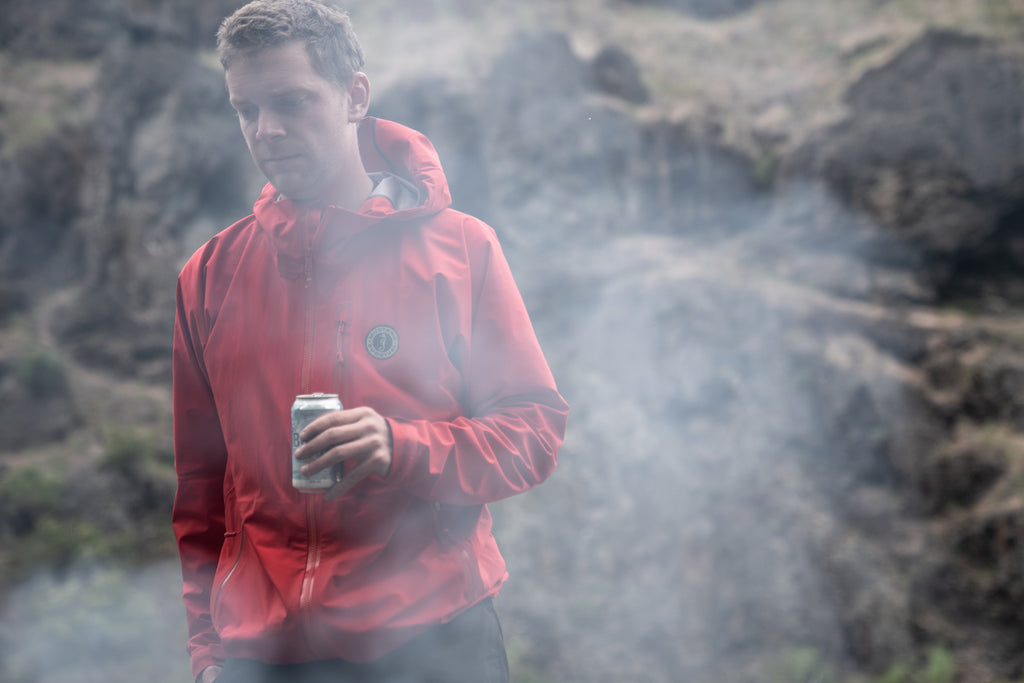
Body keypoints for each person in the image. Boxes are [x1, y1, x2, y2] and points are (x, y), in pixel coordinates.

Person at [171, 1, 569, 682]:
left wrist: (401, 445)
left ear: (355, 95)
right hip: (263, 656)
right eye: (248, 109)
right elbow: (201, 494)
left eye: (292, 101)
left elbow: (532, 433)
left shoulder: (462, 251)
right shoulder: (208, 276)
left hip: (435, 639)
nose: (268, 129)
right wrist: (210, 653)